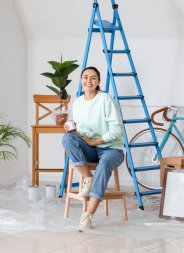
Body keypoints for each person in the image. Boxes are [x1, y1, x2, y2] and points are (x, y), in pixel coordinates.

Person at [62, 66, 125, 232]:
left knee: (104, 166)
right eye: (85, 77)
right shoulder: (77, 102)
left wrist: (94, 142)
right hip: (91, 147)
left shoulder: (106, 99)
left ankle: (88, 215)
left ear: (98, 82)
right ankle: (88, 178)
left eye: (93, 78)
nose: (88, 81)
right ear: (81, 80)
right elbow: (81, 132)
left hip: (112, 149)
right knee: (67, 138)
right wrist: (72, 130)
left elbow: (117, 130)